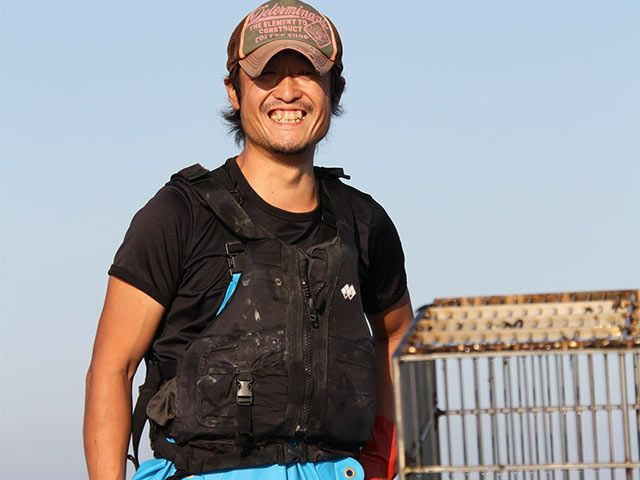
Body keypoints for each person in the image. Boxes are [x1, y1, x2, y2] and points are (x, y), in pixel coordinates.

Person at [83, 1, 413, 479]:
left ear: (334, 89)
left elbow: (397, 334)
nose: (288, 91)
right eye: (266, 74)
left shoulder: (364, 222)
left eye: (307, 73)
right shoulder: (179, 215)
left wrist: (381, 460)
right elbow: (112, 368)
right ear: (234, 91)